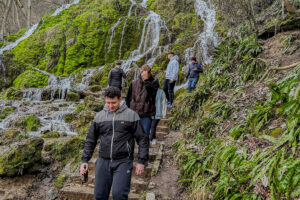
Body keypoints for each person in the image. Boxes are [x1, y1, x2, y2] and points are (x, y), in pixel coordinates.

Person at [80, 87, 149, 200]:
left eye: (114, 103)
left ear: (120, 99)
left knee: (119, 195)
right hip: (103, 161)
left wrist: (141, 161)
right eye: (108, 102)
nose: (110, 106)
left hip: (123, 161)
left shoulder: (131, 115)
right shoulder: (99, 116)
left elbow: (142, 139)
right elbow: (91, 139)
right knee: (99, 196)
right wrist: (85, 160)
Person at [126, 65, 159, 137]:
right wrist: (128, 109)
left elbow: (152, 95)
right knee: (130, 135)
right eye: (142, 73)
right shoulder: (134, 82)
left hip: (146, 114)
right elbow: (128, 97)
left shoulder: (154, 83)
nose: (143, 75)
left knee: (144, 136)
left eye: (145, 73)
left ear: (149, 73)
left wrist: (146, 81)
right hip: (133, 113)